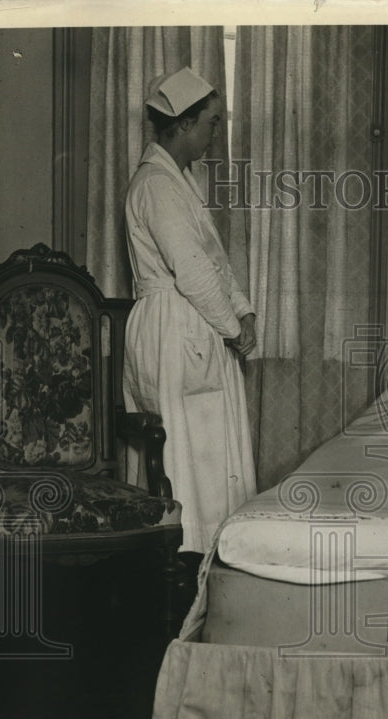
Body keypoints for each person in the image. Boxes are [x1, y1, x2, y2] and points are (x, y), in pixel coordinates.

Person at [123, 67, 258, 573]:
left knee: (205, 454)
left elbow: (215, 261)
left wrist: (242, 309)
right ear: (182, 125)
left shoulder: (178, 182)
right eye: (212, 122)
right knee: (184, 455)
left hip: (193, 325)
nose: (216, 132)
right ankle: (180, 571)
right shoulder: (156, 185)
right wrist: (234, 328)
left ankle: (203, 570)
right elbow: (194, 274)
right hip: (173, 329)